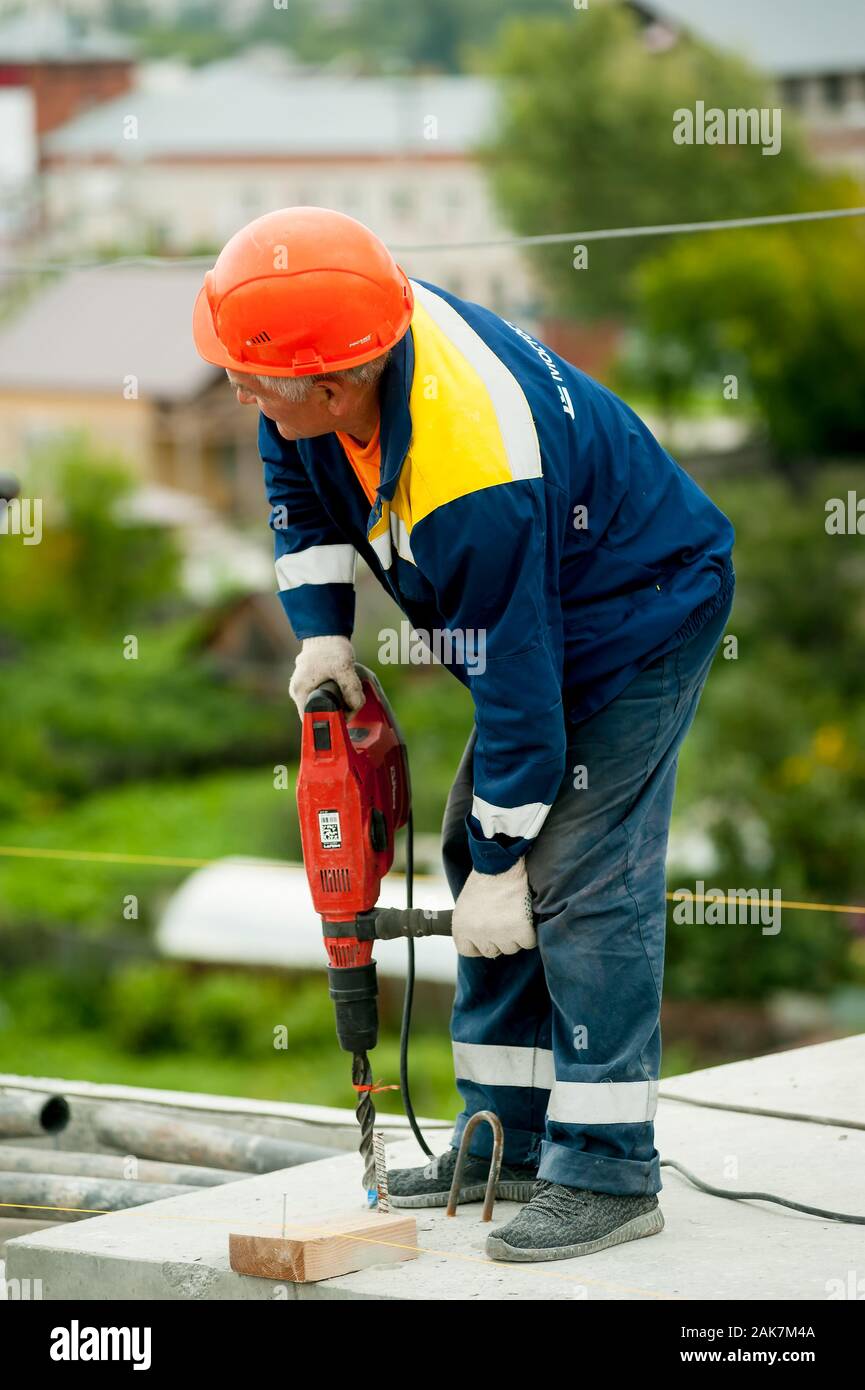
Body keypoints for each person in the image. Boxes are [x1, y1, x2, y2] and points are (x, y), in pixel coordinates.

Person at [193, 206, 735, 1263]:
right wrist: (325, 639)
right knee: (480, 849)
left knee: (573, 872)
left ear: (340, 380)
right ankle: (508, 1141)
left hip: (639, 608)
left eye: (256, 381)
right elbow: (295, 493)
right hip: (545, 613)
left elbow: (524, 707)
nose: (239, 392)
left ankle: (609, 1169)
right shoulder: (315, 360)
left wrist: (506, 861)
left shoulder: (467, 476)